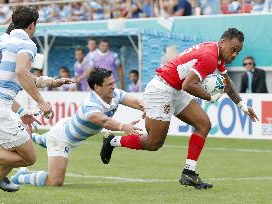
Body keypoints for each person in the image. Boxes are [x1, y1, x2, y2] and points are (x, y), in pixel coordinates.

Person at [100, 28, 259, 190]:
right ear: (223, 42)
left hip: (175, 90)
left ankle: (188, 173)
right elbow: (188, 85)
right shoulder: (210, 56)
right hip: (162, 90)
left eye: (237, 52)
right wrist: (210, 97)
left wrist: (242, 106)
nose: (234, 55)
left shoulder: (216, 52)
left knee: (204, 124)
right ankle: (112, 141)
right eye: (233, 50)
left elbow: (227, 83)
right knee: (154, 143)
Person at [11, 68, 144, 187]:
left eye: (113, 82)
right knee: (55, 182)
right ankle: (21, 177)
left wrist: (147, 107)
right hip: (62, 140)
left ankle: (37, 138)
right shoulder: (90, 105)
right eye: (109, 84)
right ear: (97, 87)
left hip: (68, 128)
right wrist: (123, 126)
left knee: (49, 139)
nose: (113, 87)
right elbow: (103, 121)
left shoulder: (115, 94)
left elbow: (136, 102)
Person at [0, 6, 74, 192]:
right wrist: (41, 102)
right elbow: (21, 72)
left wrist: (52, 82)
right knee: (28, 157)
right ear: (32, 25)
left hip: (1, 104)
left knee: (16, 151)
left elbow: (18, 76)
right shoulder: (27, 44)